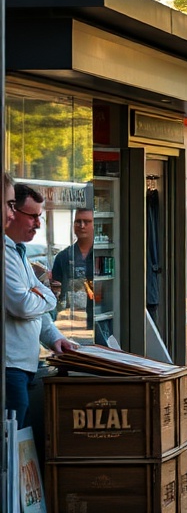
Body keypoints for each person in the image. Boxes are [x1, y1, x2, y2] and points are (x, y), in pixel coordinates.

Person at [5, 178, 77, 428]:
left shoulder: (19, 251)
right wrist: (47, 293)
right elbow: (24, 305)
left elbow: (35, 311)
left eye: (40, 216)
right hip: (10, 366)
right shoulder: (5, 253)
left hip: (23, 364)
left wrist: (54, 337)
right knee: (11, 441)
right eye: (32, 216)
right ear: (12, 212)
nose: (38, 223)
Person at [51, 207, 95, 328]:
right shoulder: (63, 257)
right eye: (78, 221)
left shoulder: (102, 254)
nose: (82, 225)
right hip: (72, 324)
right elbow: (56, 292)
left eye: (87, 222)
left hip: (99, 319)